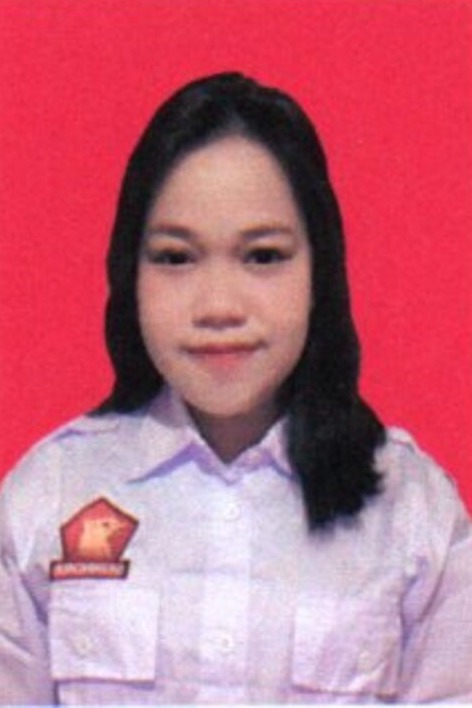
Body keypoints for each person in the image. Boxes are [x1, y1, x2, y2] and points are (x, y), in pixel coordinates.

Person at [0, 72, 471, 705]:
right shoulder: (49, 496)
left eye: (263, 256)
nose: (219, 306)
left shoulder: (410, 510)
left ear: (320, 272)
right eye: (176, 257)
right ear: (129, 273)